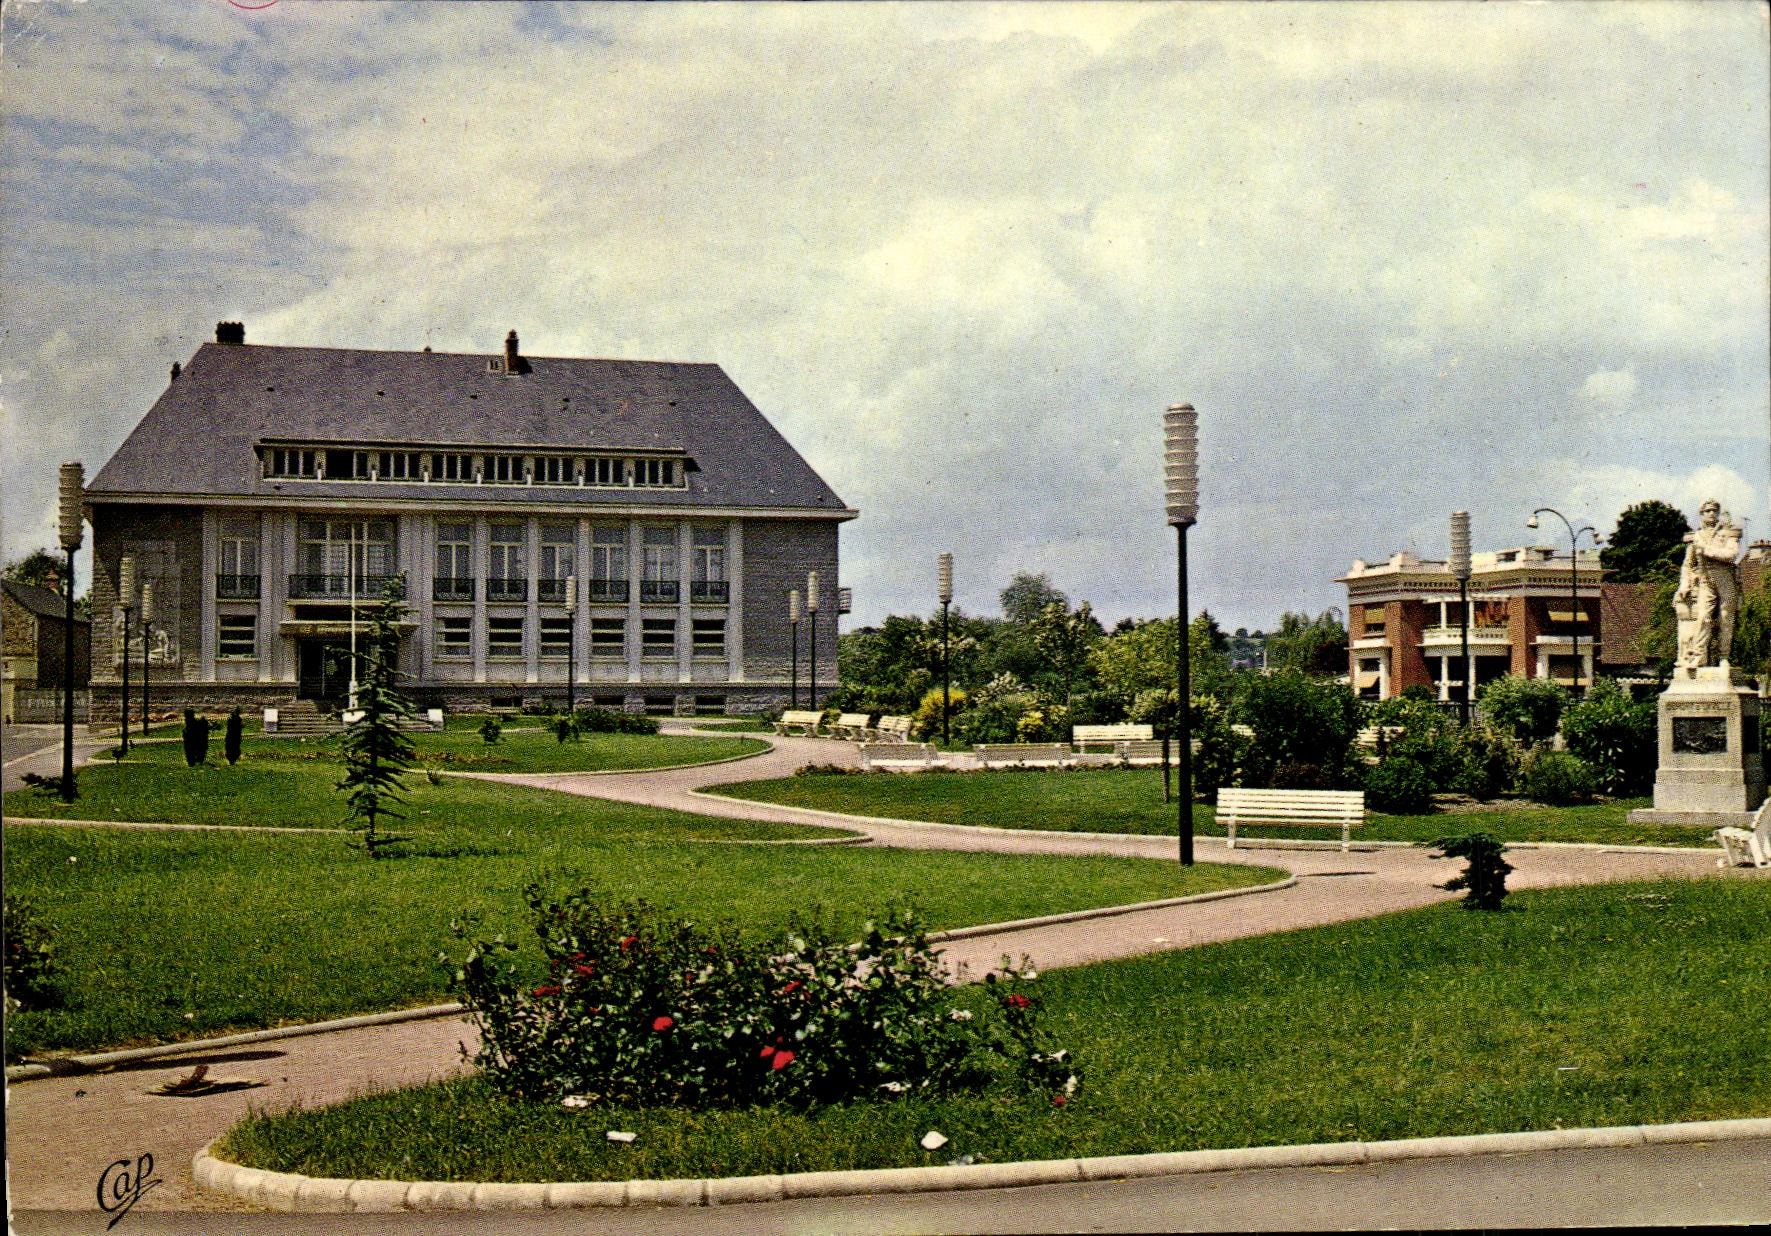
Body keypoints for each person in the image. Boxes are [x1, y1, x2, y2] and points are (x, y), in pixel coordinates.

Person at [1675, 499, 1742, 670]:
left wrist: (1707, 551)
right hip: (1705, 581)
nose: (1711, 514)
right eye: (1707, 511)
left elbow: (1731, 554)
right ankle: (1699, 656)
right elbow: (1687, 565)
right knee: (1703, 618)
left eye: (1714, 510)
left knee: (1726, 618)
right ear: (1702, 514)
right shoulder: (1695, 537)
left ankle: (1724, 657)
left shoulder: (1727, 533)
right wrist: (1684, 584)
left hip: (1725, 579)